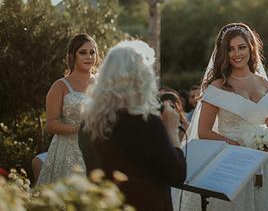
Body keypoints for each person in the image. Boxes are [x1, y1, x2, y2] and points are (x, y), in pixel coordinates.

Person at [178, 23, 268, 211]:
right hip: (232, 163)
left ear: (251, 48)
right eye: (231, 49)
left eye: (242, 47)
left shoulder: (264, 84)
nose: (237, 54)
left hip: (265, 165)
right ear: (224, 53)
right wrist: (235, 144)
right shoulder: (218, 87)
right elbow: (203, 131)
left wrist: (267, 141)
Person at [80, 40, 186, 211]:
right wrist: (172, 130)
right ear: (141, 77)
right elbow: (177, 175)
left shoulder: (90, 122)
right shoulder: (147, 124)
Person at [36, 33, 99, 186]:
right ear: (72, 56)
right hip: (67, 152)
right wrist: (79, 129)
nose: (88, 56)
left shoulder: (103, 83)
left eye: (92, 52)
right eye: (82, 52)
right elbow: (51, 124)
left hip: (97, 150)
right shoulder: (60, 86)